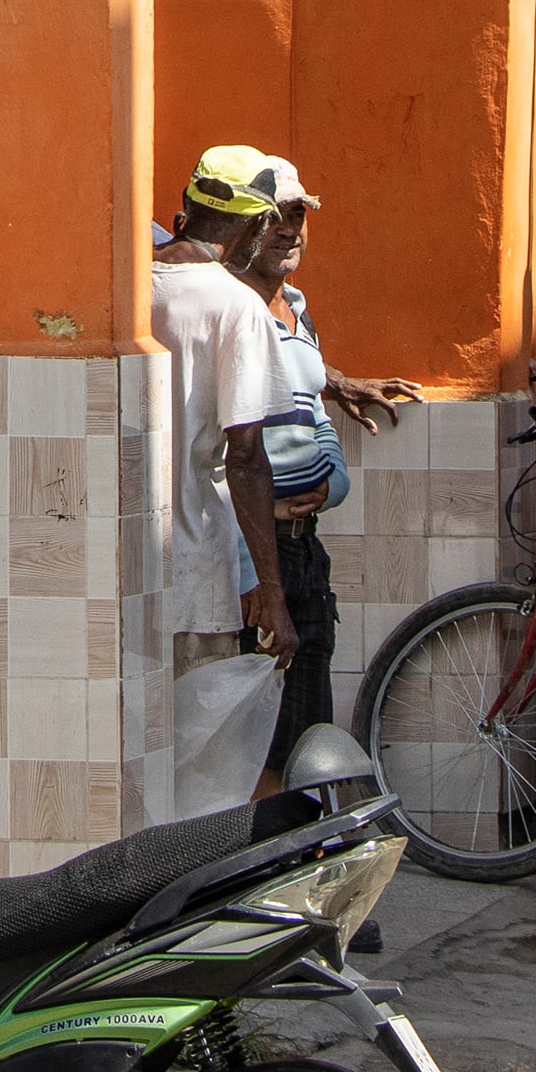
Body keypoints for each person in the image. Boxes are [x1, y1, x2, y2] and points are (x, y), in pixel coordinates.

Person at [237, 166, 414, 778]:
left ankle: (304, 854)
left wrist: (341, 386)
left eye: (297, 216)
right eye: (272, 218)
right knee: (262, 748)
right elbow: (217, 447)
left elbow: (303, 391)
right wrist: (257, 564)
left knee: (309, 735)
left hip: (305, 556)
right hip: (258, 563)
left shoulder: (296, 308)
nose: (288, 230)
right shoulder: (231, 310)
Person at [150, 153, 292, 805]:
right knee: (193, 772)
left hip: (119, 574)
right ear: (253, 226)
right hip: (192, 572)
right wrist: (273, 593)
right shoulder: (237, 306)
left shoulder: (125, 287)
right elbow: (245, 459)